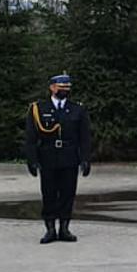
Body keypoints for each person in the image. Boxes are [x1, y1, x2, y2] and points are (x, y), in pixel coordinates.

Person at [22, 74, 92, 244]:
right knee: (49, 193)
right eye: (61, 87)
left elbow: (85, 137)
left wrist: (85, 158)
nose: (64, 91)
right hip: (48, 156)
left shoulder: (77, 109)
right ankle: (50, 229)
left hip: (69, 157)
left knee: (68, 193)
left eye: (67, 88)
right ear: (52, 88)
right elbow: (31, 137)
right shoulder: (38, 109)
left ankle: (64, 228)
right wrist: (31, 159)